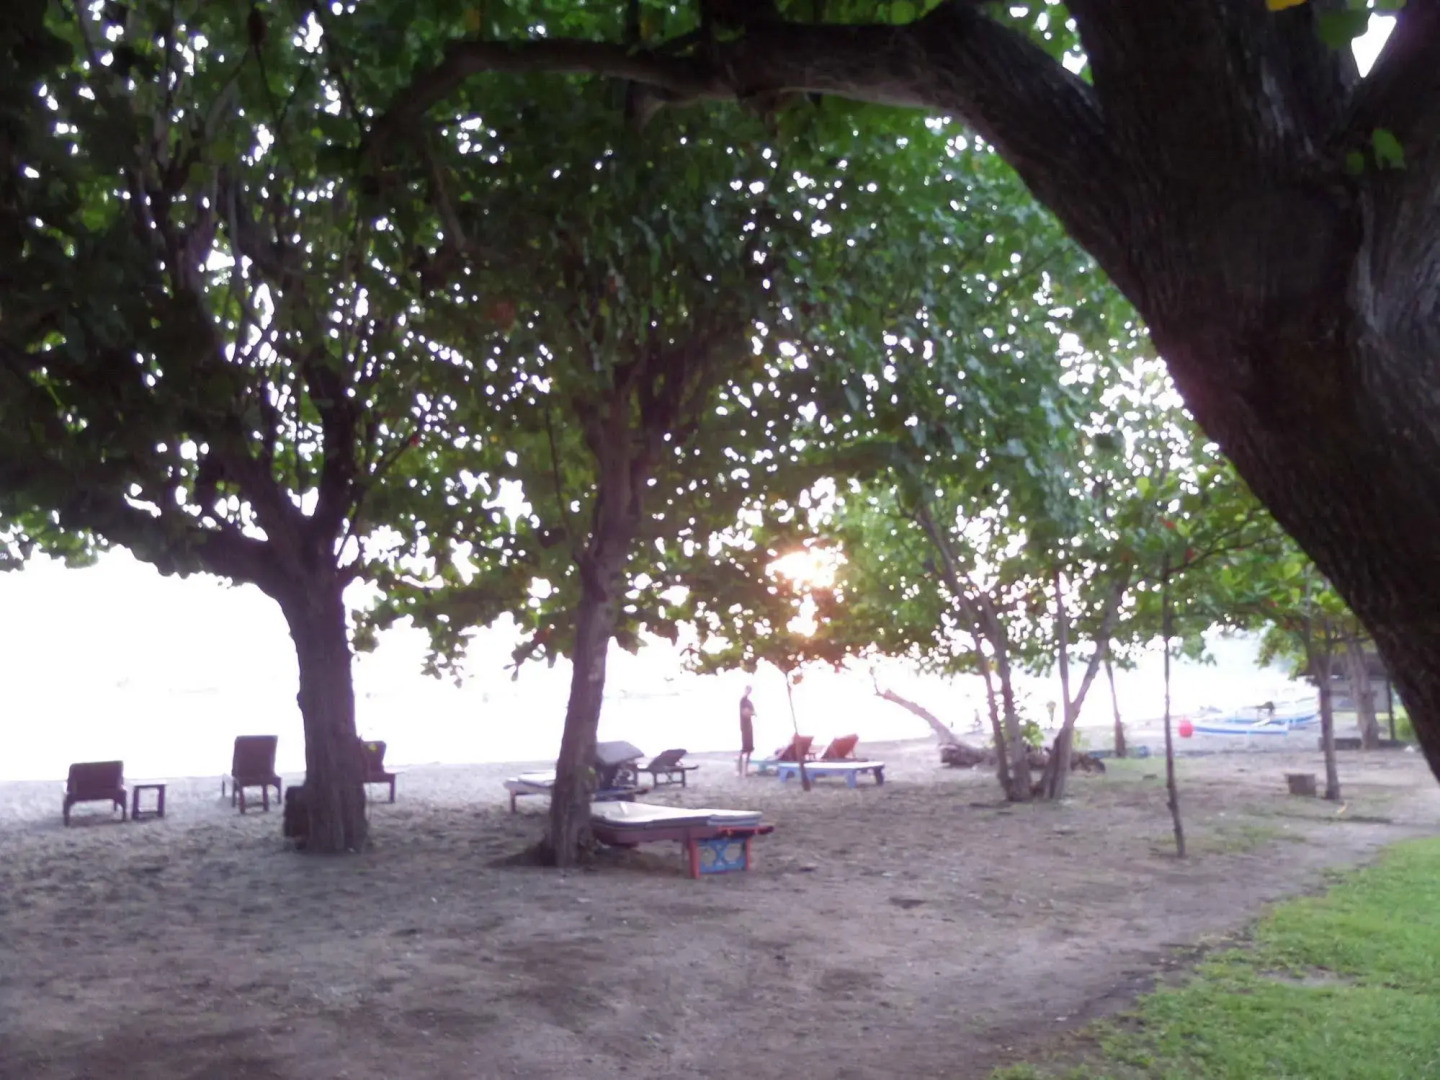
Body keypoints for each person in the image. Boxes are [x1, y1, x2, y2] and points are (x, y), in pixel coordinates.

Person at [738, 685, 756, 776]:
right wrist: (749, 712)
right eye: (747, 690)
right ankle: (739, 769)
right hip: (744, 726)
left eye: (750, 690)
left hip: (749, 726)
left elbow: (753, 712)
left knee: (750, 748)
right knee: (744, 748)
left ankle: (746, 769)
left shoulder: (749, 702)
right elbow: (745, 712)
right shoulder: (743, 700)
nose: (748, 692)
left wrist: (750, 712)